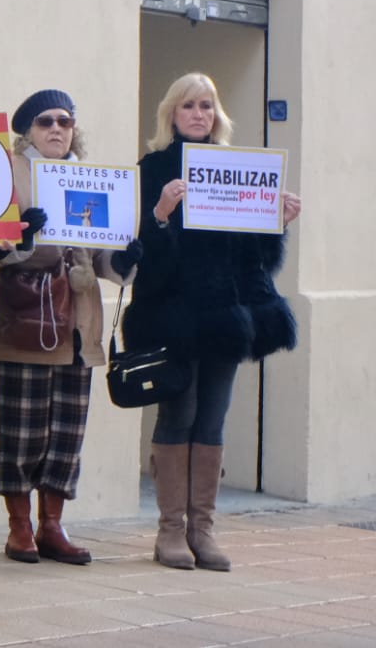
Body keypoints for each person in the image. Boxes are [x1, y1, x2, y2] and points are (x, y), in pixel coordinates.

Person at [120, 73, 301, 573]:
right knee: (179, 414)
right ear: (172, 114)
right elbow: (138, 257)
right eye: (188, 106)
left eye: (206, 106)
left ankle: (203, 530)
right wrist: (160, 214)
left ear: (216, 115)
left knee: (213, 419)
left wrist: (277, 224)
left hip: (225, 316)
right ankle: (170, 531)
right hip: (173, 316)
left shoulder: (236, 168)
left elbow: (257, 262)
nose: (198, 114)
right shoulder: (153, 168)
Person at [0, 89, 123, 566]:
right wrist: (20, 234)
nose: (57, 129)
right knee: (21, 427)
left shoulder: (89, 175)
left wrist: (123, 258)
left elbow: (101, 254)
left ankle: (52, 525)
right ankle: (19, 527)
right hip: (26, 313)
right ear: (28, 130)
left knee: (66, 429)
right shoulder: (8, 173)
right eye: (46, 121)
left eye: (65, 120)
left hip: (78, 318)